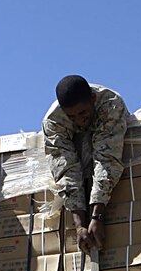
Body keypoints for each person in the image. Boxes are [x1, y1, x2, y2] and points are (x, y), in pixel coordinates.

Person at [42, 75, 131, 252]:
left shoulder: (111, 104)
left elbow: (107, 160)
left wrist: (97, 216)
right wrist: (79, 225)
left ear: (93, 98)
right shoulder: (54, 121)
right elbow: (66, 170)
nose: (79, 120)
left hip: (106, 142)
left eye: (83, 113)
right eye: (72, 116)